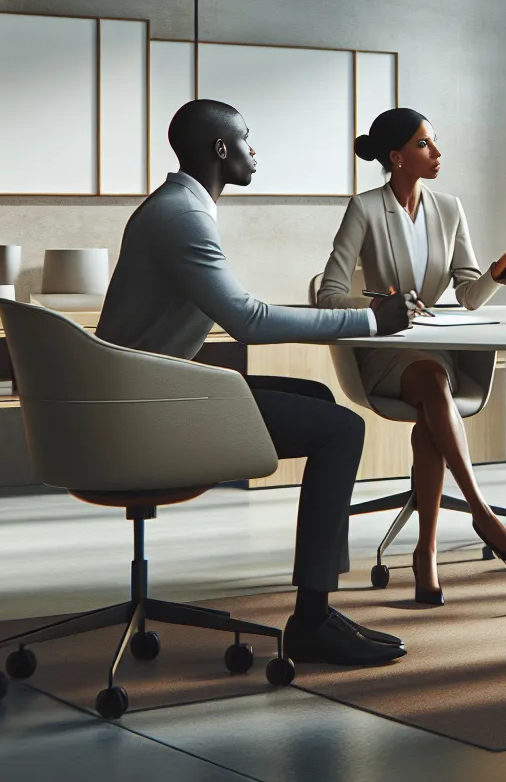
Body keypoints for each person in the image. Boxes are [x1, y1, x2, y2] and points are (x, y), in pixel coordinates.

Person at [97, 98, 419, 668]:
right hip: (148, 411)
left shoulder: (176, 206)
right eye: (246, 138)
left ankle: (320, 604)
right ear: (221, 149)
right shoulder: (182, 216)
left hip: (145, 392)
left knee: (316, 400)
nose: (254, 150)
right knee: (341, 429)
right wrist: (370, 320)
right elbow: (248, 320)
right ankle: (312, 620)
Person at [318, 108, 506, 605]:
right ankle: (482, 514)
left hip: (433, 349)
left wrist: (501, 265)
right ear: (397, 157)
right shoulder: (364, 208)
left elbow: (468, 295)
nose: (437, 152)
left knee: (431, 394)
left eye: (434, 142)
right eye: (424, 144)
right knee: (430, 380)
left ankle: (427, 553)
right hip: (384, 350)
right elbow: (329, 293)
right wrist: (380, 306)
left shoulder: (449, 208)